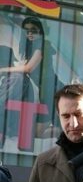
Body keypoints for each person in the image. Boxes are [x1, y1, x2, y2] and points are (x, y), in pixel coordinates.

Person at [0, 16, 60, 147]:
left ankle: (63, 134)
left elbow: (28, 68)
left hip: (51, 89)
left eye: (34, 30)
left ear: (40, 31)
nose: (30, 33)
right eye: (26, 31)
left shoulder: (42, 44)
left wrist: (3, 69)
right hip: (44, 90)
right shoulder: (29, 46)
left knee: (41, 131)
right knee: (37, 133)